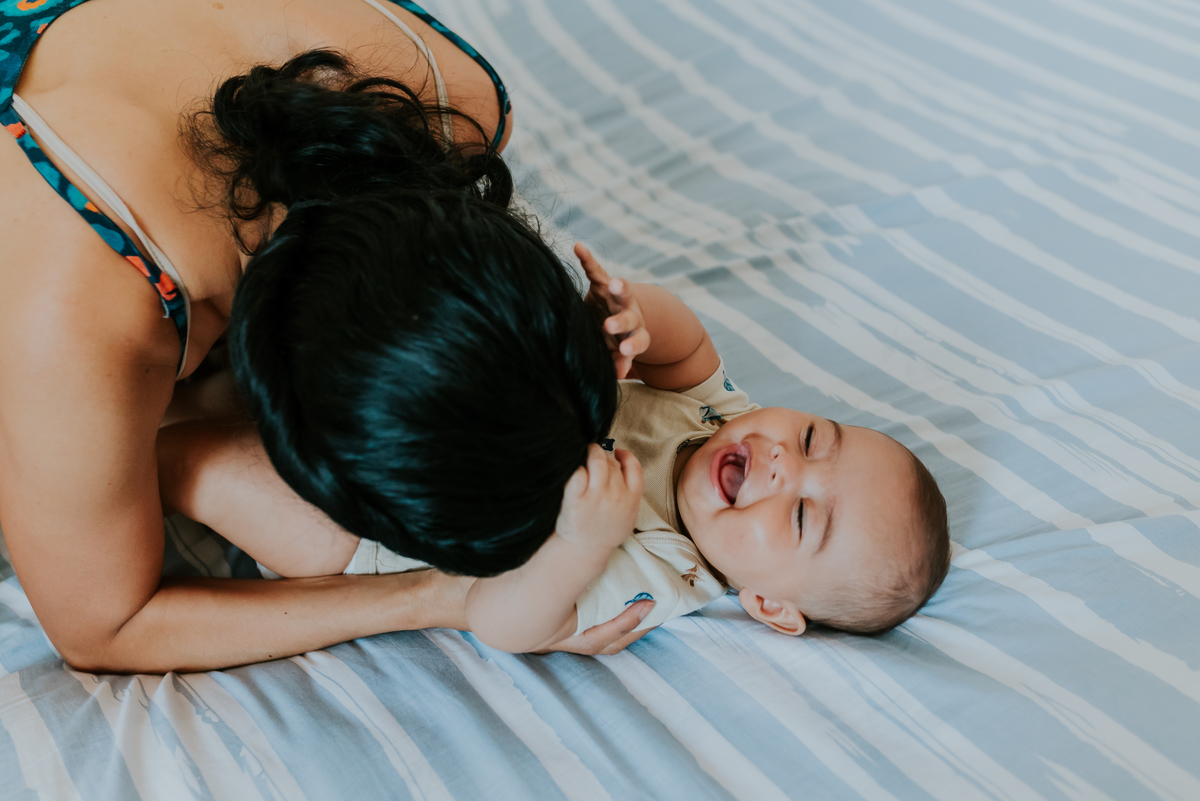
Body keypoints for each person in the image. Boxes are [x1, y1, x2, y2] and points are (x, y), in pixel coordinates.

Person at [0, 0, 648, 674]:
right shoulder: (75, 317)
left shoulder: (453, 97)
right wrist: (437, 595)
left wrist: (556, 357)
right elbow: (105, 627)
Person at [166, 245, 952, 653]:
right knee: (236, 384)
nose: (785, 465)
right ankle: (169, 395)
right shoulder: (721, 417)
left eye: (803, 517)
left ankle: (141, 465)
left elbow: (506, 623)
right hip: (412, 415)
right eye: (814, 437)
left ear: (770, 603)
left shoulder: (661, 577)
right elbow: (688, 347)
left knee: (201, 463)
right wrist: (636, 316)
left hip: (371, 532)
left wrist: (582, 541)